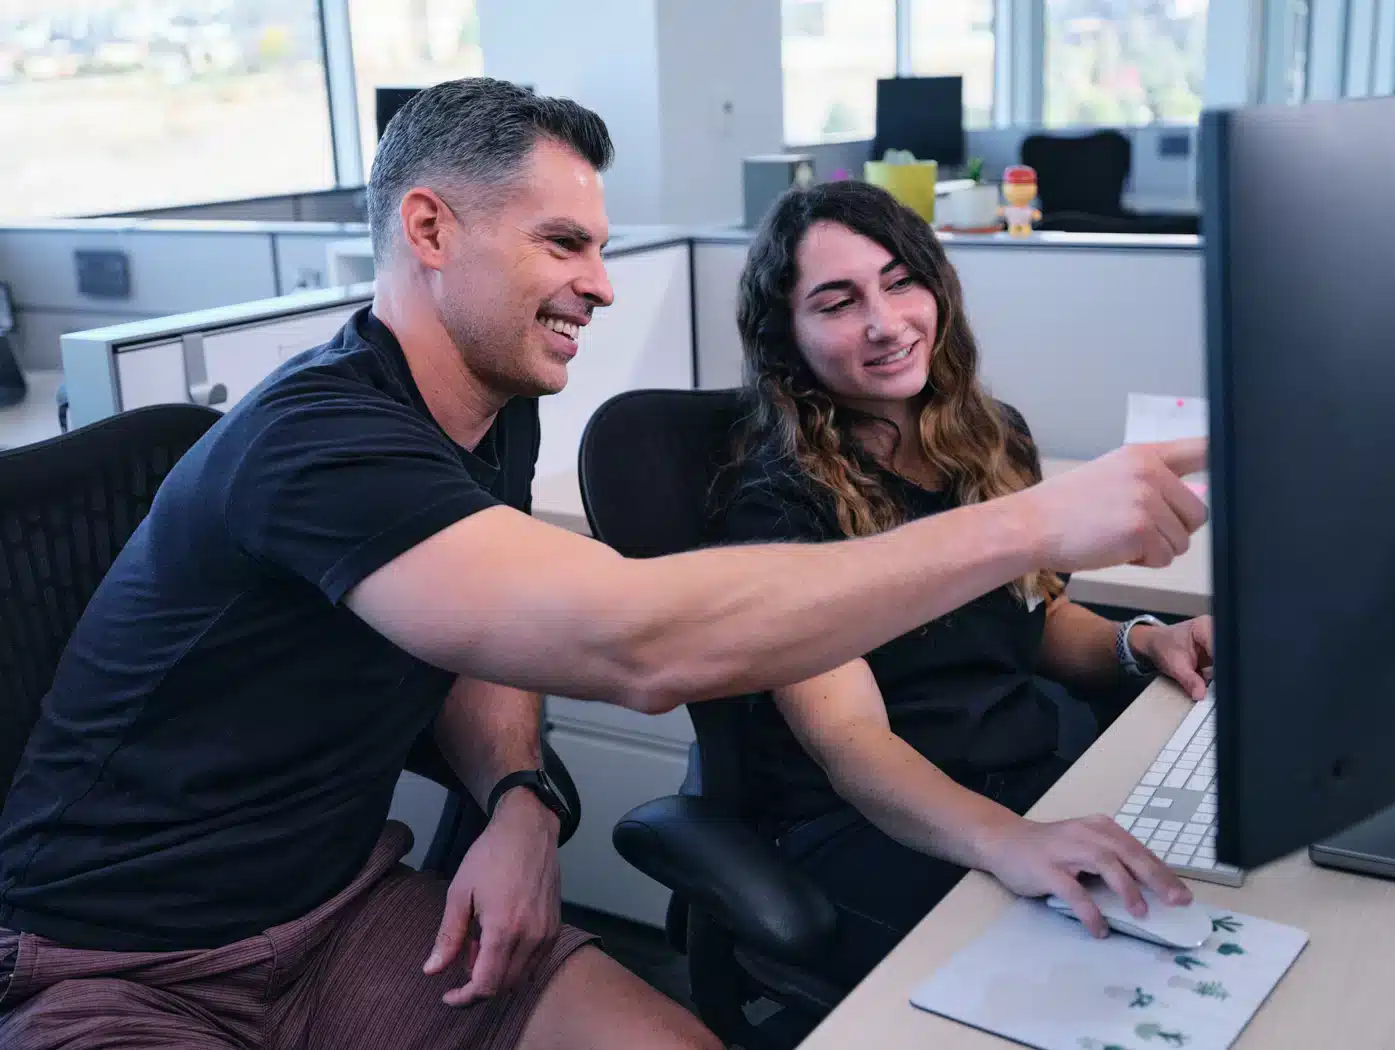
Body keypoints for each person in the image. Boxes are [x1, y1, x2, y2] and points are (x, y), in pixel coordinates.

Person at [0, 79, 1205, 1050]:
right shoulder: (315, 440)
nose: (601, 282)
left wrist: (517, 804)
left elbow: (494, 635)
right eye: (564, 242)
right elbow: (633, 644)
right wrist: (1035, 523)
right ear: (430, 229)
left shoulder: (486, 410)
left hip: (343, 911)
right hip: (124, 958)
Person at [709, 178, 1216, 988]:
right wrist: (1008, 840)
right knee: (1096, 985)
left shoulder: (990, 437)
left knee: (1191, 923)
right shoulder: (778, 502)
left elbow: (1030, 618)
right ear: (785, 338)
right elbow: (853, 747)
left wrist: (1139, 643)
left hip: (1018, 784)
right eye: (838, 302)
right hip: (874, 824)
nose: (885, 322)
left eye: (901, 281)